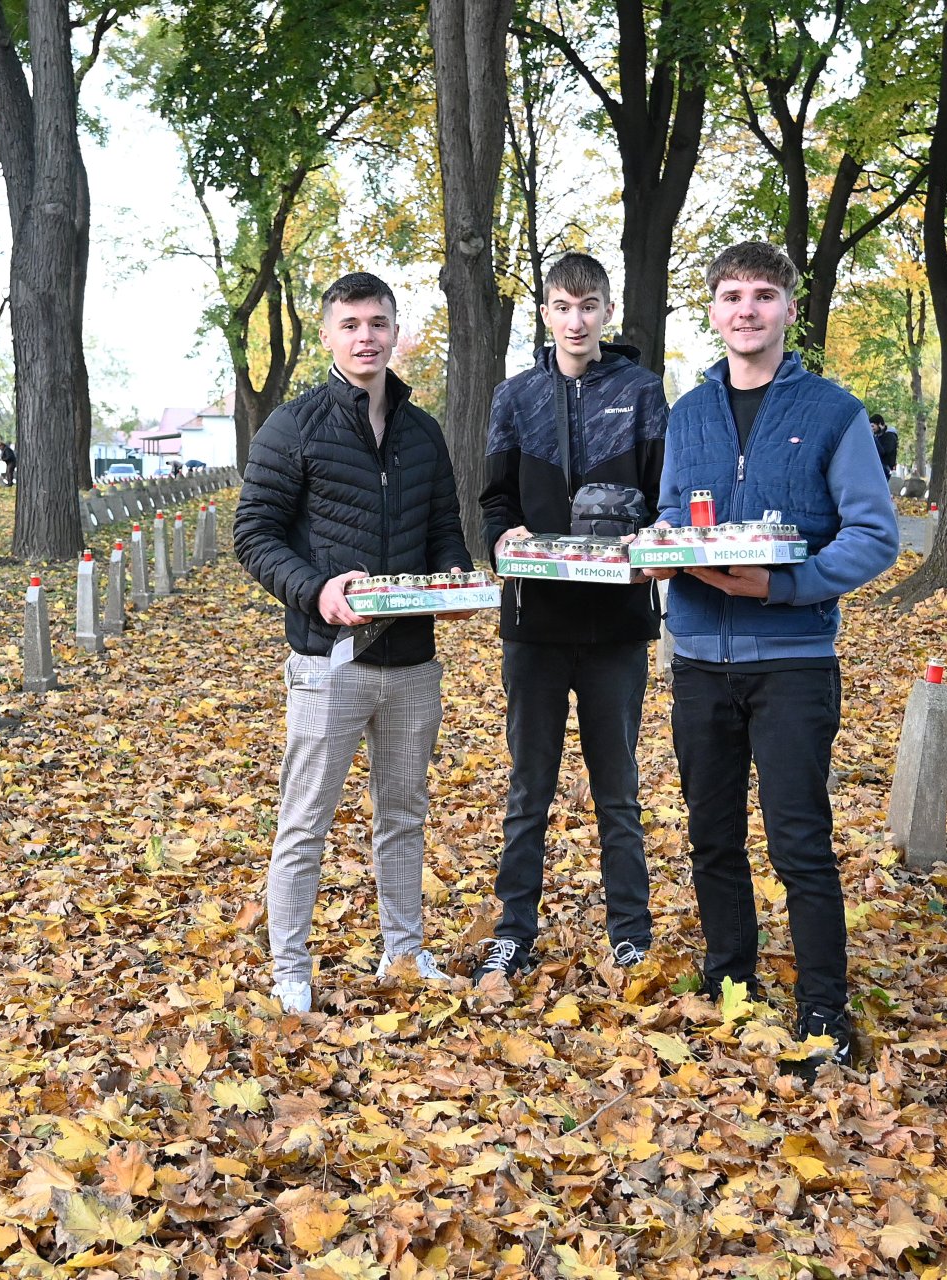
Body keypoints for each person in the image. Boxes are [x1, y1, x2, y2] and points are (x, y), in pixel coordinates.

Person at [644, 241, 899, 1073]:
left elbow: (873, 535)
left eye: (762, 296)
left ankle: (823, 1004)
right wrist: (656, 549)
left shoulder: (833, 412)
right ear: (712, 312)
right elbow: (674, 518)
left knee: (799, 840)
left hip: (792, 660)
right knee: (711, 836)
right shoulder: (686, 414)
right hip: (697, 662)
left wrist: (785, 587)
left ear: (790, 310)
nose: (746, 310)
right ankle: (732, 983)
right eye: (731, 296)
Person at [234, 271, 473, 1015]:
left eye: (378, 322)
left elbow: (443, 535)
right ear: (329, 335)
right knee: (304, 819)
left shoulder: (422, 431)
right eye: (351, 324)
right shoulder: (293, 426)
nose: (366, 336)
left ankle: (402, 952)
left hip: (411, 665)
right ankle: (290, 968)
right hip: (325, 662)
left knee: (403, 814)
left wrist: (456, 582)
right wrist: (317, 590)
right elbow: (255, 535)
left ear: (396, 331)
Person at [474, 252, 668, 984]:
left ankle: (631, 934)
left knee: (618, 789)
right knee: (530, 787)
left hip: (618, 623)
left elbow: (665, 496)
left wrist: (653, 539)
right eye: (563, 306)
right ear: (547, 313)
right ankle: (513, 930)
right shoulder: (514, 397)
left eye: (589, 306)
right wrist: (503, 537)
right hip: (536, 622)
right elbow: (496, 499)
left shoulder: (644, 393)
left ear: (607, 311)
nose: (577, 319)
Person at [870, 413, 898, 481]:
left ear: (879, 424)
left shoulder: (890, 436)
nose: (872, 429)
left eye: (873, 426)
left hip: (886, 468)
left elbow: (883, 452)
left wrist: (873, 438)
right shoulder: (878, 436)